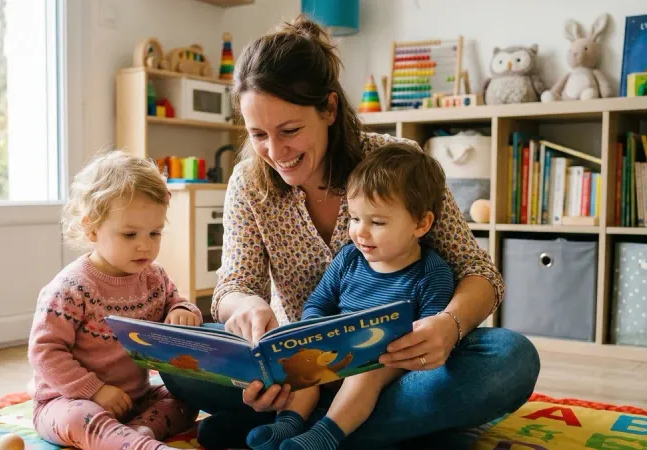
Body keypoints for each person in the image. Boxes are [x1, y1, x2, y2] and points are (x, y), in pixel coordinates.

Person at [160, 13, 541, 450]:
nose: (275, 152)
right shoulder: (249, 183)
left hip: (392, 368)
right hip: (300, 372)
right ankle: (378, 432)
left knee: (510, 359)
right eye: (258, 134)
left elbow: (478, 272)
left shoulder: (397, 163)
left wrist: (448, 327)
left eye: (290, 131)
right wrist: (245, 308)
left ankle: (307, 430)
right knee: (180, 363)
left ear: (329, 109)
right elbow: (233, 286)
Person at [246, 142, 456, 450]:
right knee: (304, 364)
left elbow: (430, 337)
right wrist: (314, 331)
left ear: (421, 224)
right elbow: (318, 302)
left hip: (388, 367)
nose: (360, 232)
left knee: (367, 374)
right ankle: (287, 425)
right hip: (336, 356)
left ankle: (324, 437)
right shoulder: (348, 259)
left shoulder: (431, 273)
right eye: (356, 219)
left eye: (378, 222)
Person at [27, 151, 203, 450]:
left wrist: (183, 311)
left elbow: (177, 302)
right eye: (129, 234)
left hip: (135, 398)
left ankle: (136, 433)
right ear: (91, 228)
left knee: (186, 400)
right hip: (69, 401)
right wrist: (94, 391)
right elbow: (45, 351)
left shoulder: (154, 277)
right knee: (80, 419)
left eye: (155, 232)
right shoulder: (71, 288)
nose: (144, 245)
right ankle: (135, 444)